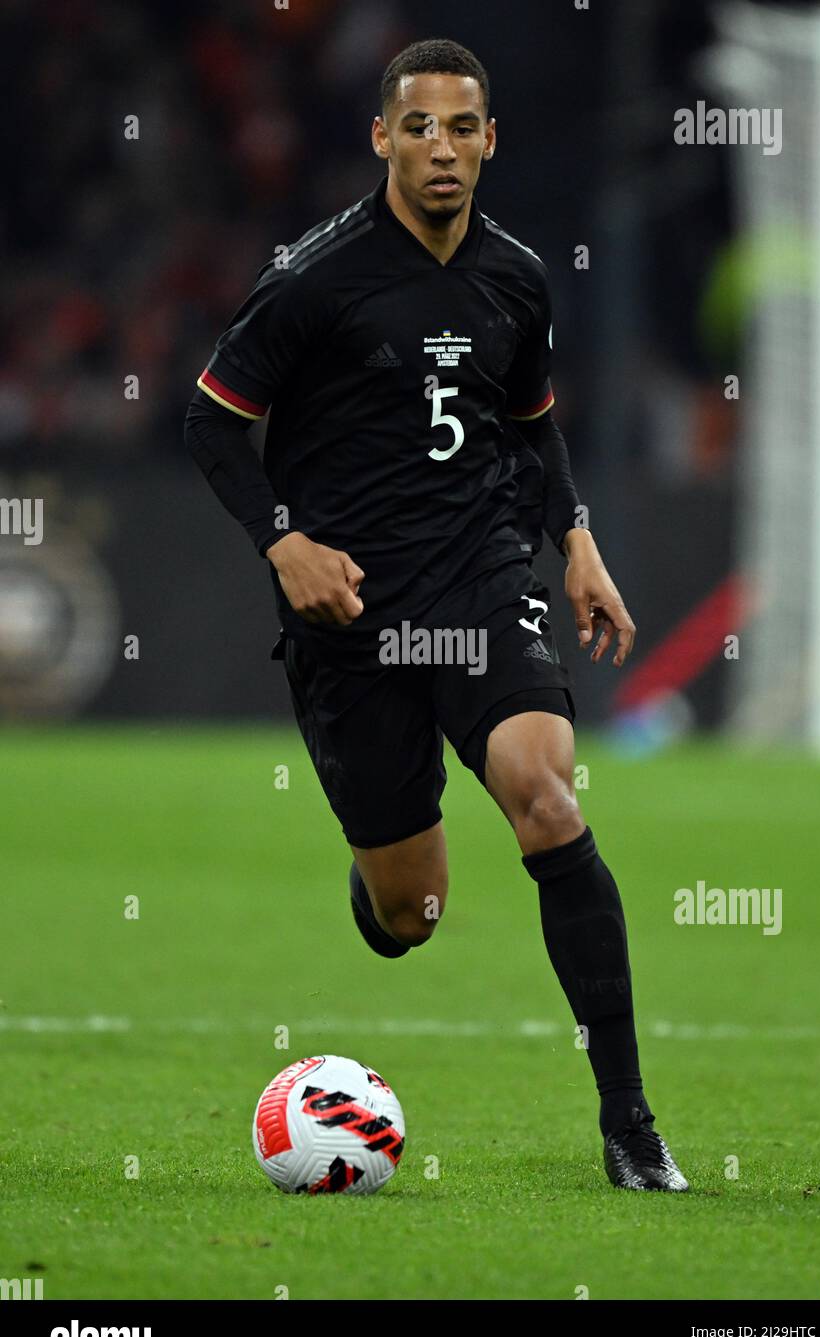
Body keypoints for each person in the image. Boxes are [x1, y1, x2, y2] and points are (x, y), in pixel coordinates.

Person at [184, 37, 688, 1192]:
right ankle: (380, 883)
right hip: (349, 614)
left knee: (547, 796)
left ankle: (628, 1123)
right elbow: (210, 424)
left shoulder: (514, 275)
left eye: (463, 127)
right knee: (410, 914)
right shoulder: (315, 277)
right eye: (420, 127)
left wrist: (573, 537)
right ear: (383, 140)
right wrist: (282, 540)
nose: (442, 148)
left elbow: (532, 421)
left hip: (480, 578)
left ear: (489, 140)